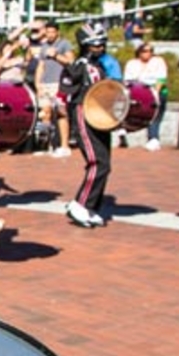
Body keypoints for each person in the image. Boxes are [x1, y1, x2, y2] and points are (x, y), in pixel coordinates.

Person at [60, 22, 114, 227]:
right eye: (95, 44)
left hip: (100, 115)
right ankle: (80, 204)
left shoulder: (99, 66)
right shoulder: (80, 65)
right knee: (96, 162)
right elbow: (66, 88)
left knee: (105, 164)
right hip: (84, 112)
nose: (100, 48)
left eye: (102, 43)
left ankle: (92, 206)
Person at [33, 20, 71, 156]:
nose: (49, 35)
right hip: (45, 84)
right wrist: (38, 84)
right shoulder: (44, 47)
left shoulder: (64, 44)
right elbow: (40, 66)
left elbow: (70, 61)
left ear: (57, 32)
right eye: (47, 32)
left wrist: (56, 55)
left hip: (58, 82)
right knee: (45, 113)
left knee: (61, 112)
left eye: (52, 32)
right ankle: (46, 146)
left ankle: (65, 146)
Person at [123, 41, 168, 150]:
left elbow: (161, 79)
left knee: (155, 116)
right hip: (138, 93)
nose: (147, 54)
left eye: (150, 51)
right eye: (144, 51)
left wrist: (155, 93)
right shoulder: (132, 63)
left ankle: (154, 138)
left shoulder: (158, 61)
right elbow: (128, 81)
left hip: (155, 91)